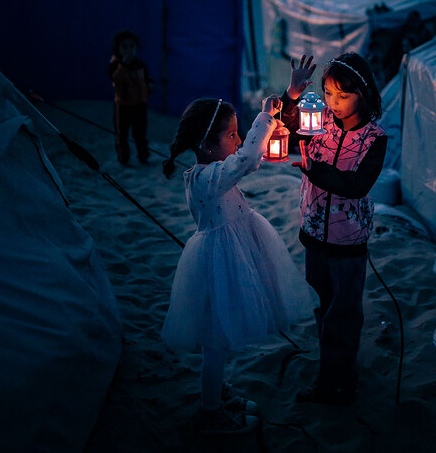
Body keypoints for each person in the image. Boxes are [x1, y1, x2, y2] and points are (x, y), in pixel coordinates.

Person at [161, 97, 312, 435]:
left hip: (233, 253)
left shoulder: (214, 172)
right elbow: (245, 160)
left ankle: (215, 393)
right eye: (231, 134)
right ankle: (211, 408)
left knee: (220, 340)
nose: (240, 139)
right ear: (206, 145)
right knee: (217, 341)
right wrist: (263, 117)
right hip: (221, 262)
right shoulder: (207, 178)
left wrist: (272, 112)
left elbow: (250, 161)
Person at [280, 52, 388, 406]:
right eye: (328, 93)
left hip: (348, 241)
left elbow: (357, 185)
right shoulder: (319, 120)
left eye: (344, 95)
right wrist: (293, 94)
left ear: (364, 92)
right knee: (322, 306)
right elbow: (287, 124)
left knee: (343, 314)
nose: (334, 103)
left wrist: (314, 171)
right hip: (313, 233)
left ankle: (337, 384)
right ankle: (330, 370)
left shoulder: (374, 137)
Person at [108, 29, 153, 165]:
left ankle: (143, 157)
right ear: (118, 49)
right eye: (124, 47)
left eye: (132, 46)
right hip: (123, 106)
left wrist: (150, 85)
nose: (129, 50)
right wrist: (123, 65)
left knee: (140, 133)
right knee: (122, 135)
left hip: (140, 105)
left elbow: (146, 79)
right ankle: (124, 159)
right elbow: (115, 79)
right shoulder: (116, 65)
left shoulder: (140, 64)